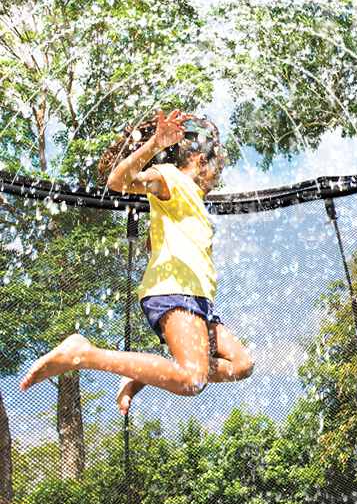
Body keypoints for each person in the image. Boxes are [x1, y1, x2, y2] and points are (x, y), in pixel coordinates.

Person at [20, 109, 254, 414]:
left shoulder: (189, 201)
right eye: (218, 168)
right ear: (199, 160)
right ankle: (84, 354)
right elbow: (118, 181)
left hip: (197, 299)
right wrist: (156, 143)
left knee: (242, 364)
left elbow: (155, 241)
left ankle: (144, 371)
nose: (218, 177)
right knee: (192, 380)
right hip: (174, 290)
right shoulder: (170, 178)